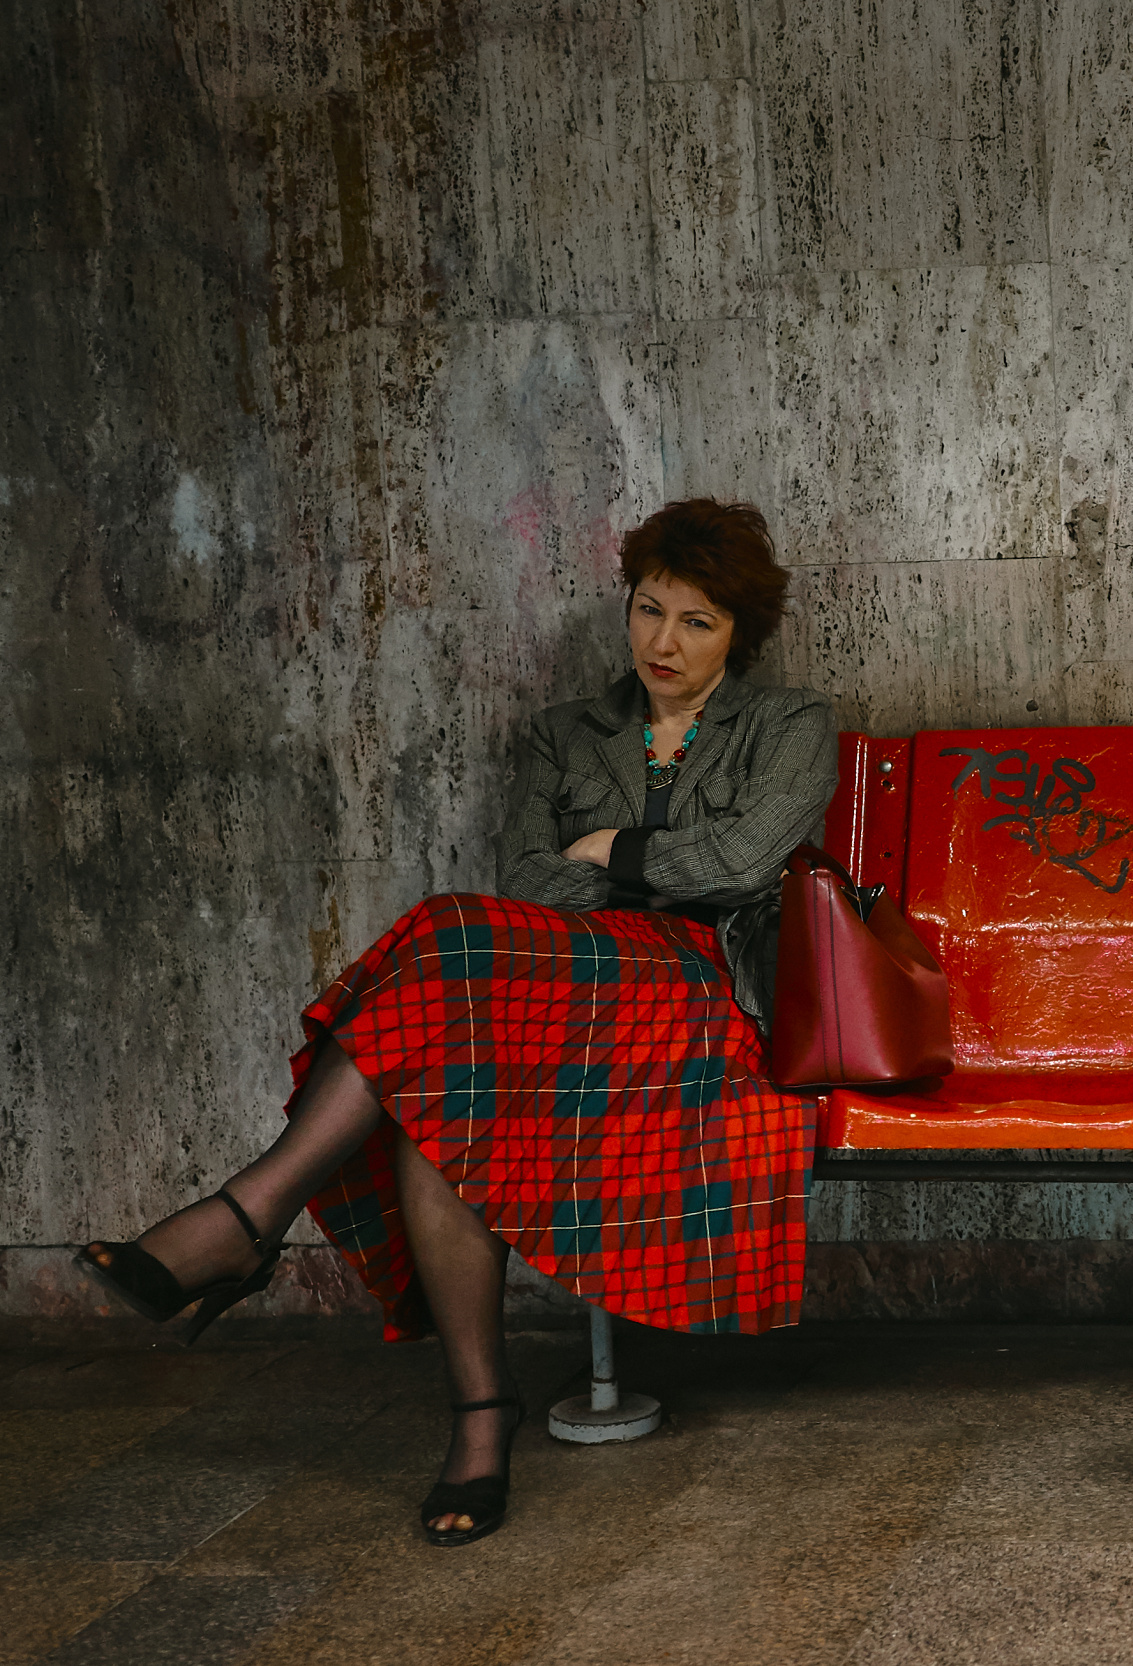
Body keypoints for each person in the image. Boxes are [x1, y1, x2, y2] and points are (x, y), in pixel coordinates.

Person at [76, 499, 838, 1548]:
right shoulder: (565, 732)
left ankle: (254, 1222)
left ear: (738, 634)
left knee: (445, 947)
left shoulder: (788, 725)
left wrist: (603, 851)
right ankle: (475, 1406)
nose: (662, 641)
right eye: (648, 609)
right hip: (565, 988)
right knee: (441, 1070)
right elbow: (523, 878)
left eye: (696, 622)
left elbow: (746, 865)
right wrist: (651, 870)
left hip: (697, 990)